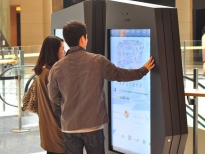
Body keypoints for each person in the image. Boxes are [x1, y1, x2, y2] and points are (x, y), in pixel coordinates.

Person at [47, 20, 155, 154]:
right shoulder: (97, 61)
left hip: (69, 126)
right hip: (93, 126)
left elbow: (53, 95)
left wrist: (67, 103)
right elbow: (120, 75)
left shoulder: (57, 67)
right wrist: (143, 70)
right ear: (82, 38)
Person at [33, 36, 66, 154]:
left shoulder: (41, 71)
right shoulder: (51, 73)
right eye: (62, 48)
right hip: (57, 128)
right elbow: (59, 103)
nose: (65, 51)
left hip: (47, 128)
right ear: (54, 51)